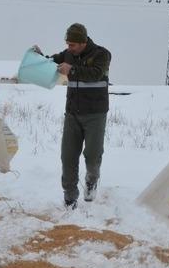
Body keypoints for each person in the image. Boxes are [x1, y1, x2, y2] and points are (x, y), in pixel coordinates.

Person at [34, 23, 111, 209]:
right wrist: (39, 57)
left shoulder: (102, 54)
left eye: (73, 45)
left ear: (83, 42)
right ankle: (70, 198)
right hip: (72, 115)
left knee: (92, 156)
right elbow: (52, 61)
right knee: (68, 157)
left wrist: (72, 70)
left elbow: (95, 74)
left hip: (95, 114)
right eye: (67, 44)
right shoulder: (68, 54)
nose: (69, 48)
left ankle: (91, 181)